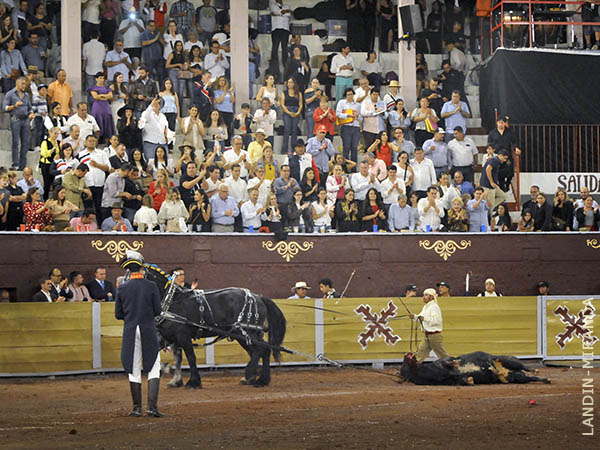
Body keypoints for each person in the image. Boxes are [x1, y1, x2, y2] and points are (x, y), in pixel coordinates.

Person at [114, 252, 163, 417]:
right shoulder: (151, 286)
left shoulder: (122, 287)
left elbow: (118, 314)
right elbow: (158, 310)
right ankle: (152, 407)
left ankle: (136, 408)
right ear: (142, 268)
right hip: (147, 327)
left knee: (134, 368)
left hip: (130, 329)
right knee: (154, 365)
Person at [410, 288, 449, 363]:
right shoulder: (426, 307)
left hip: (435, 336)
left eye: (426, 295)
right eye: (424, 295)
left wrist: (424, 318)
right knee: (420, 352)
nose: (424, 297)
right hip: (427, 335)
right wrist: (414, 317)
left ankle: (454, 367)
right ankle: (413, 368)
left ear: (431, 297)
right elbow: (420, 317)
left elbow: (437, 321)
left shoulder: (434, 307)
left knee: (442, 354)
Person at [3, 76, 33, 170]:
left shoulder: (26, 95)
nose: (24, 85)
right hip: (15, 118)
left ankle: (22, 165)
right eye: (22, 83)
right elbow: (4, 108)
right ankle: (15, 163)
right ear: (17, 83)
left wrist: (31, 114)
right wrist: (14, 106)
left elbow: (29, 108)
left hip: (25, 119)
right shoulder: (10, 94)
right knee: (16, 142)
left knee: (26, 142)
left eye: (25, 84)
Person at [139, 97, 170, 161]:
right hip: (150, 142)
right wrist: (151, 106)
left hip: (162, 143)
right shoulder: (146, 113)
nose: (156, 104)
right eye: (154, 103)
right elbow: (144, 117)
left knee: (164, 163)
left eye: (158, 103)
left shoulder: (163, 116)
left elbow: (166, 129)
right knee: (151, 164)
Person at [336, 88, 361, 164]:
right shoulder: (342, 103)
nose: (350, 96)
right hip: (346, 126)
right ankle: (345, 166)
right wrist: (347, 115)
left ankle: (353, 166)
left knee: (354, 148)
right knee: (346, 147)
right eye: (348, 94)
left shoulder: (358, 105)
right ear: (345, 95)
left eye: (351, 94)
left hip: (356, 127)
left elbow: (361, 118)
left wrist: (357, 116)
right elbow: (337, 114)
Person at [280, 77, 303, 155]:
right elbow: (282, 104)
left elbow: (301, 104)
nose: (289, 84)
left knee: (294, 130)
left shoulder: (298, 93)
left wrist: (298, 112)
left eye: (291, 82)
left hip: (296, 111)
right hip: (287, 111)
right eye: (288, 82)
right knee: (287, 130)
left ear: (294, 84)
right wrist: (288, 112)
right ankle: (284, 150)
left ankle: (294, 150)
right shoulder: (284, 92)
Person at [270, 0, 292, 68]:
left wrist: (282, 12)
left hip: (285, 29)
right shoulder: (273, 6)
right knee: (275, 47)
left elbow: (290, 14)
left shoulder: (287, 6)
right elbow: (277, 12)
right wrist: (286, 11)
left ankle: (285, 64)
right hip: (276, 29)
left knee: (285, 48)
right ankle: (274, 64)